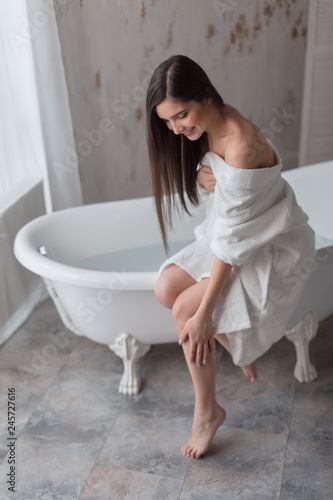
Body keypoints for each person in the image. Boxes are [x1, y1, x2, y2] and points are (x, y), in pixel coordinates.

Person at [145, 55, 315, 459]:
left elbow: (233, 245)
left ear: (204, 96)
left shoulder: (241, 144)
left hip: (272, 249)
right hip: (238, 237)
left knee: (186, 313)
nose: (176, 129)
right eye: (168, 121)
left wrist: (205, 314)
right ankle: (233, 339)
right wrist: (204, 178)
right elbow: (228, 206)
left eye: (181, 114)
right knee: (165, 287)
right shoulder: (210, 121)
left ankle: (208, 412)